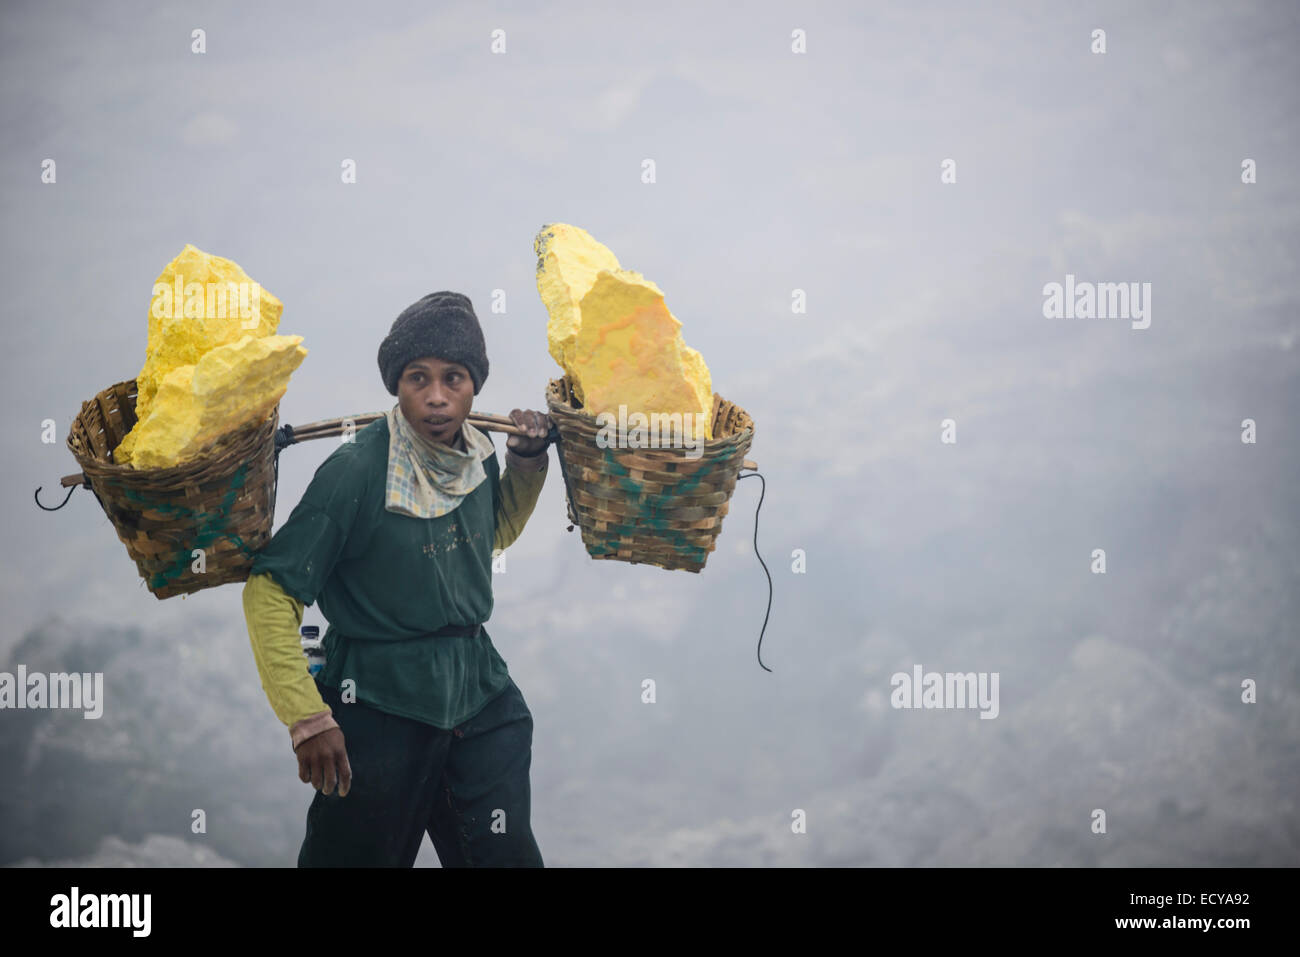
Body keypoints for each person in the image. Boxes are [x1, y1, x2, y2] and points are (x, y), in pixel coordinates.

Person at [241, 291, 551, 867]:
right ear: (397, 385)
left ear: (474, 385)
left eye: (453, 378)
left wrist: (527, 463)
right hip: (377, 703)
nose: (436, 397)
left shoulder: (478, 455)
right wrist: (307, 719)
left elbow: (493, 536)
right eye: (417, 378)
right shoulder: (356, 471)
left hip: (479, 695)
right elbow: (271, 591)